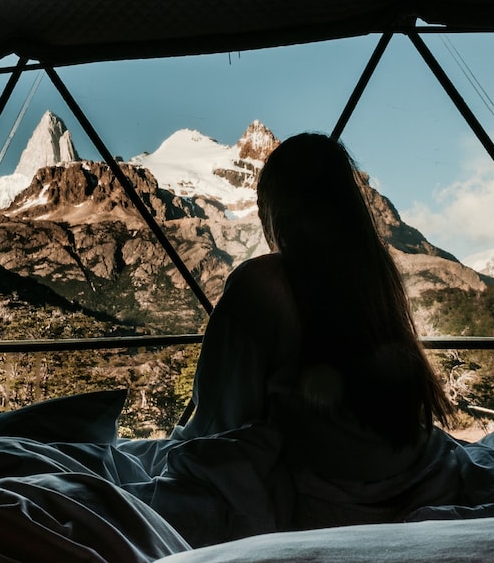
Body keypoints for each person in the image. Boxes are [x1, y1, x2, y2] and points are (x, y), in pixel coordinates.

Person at [170, 133, 456, 525]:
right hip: (413, 466)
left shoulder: (261, 282)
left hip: (331, 488)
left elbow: (221, 422)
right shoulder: (376, 274)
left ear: (276, 208)